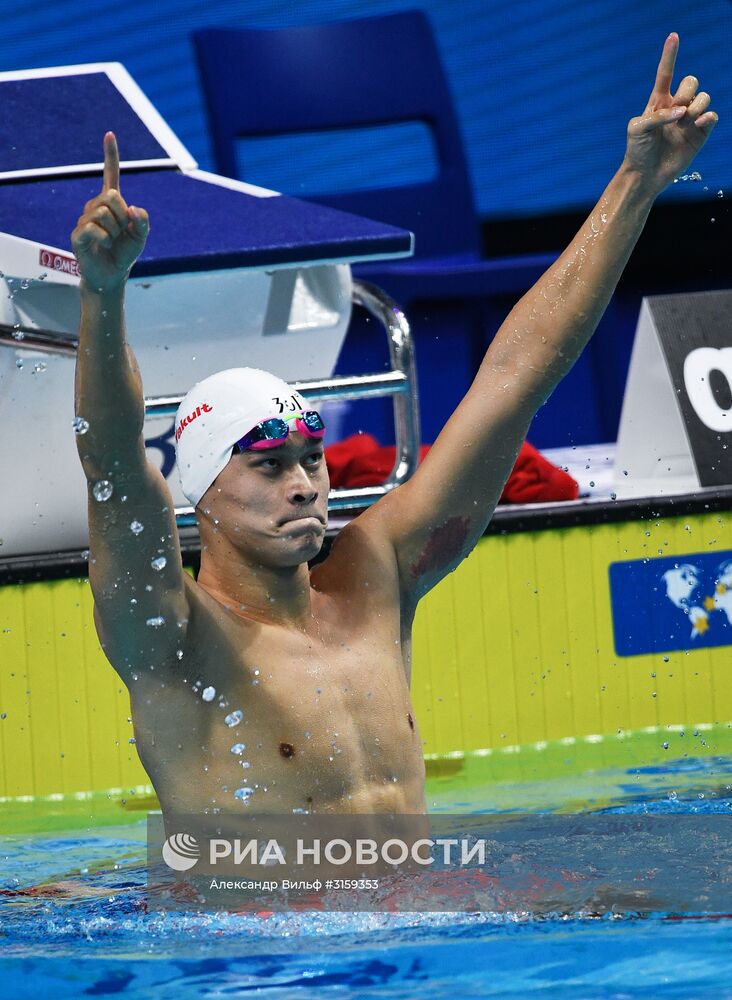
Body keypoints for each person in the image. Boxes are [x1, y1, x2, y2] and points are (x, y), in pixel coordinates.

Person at [72, 34, 716, 823]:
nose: (307, 483)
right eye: (271, 467)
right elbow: (110, 458)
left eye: (312, 459)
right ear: (201, 489)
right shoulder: (170, 638)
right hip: (258, 942)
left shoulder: (373, 578)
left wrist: (636, 183)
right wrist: (101, 297)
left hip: (417, 922)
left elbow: (516, 376)